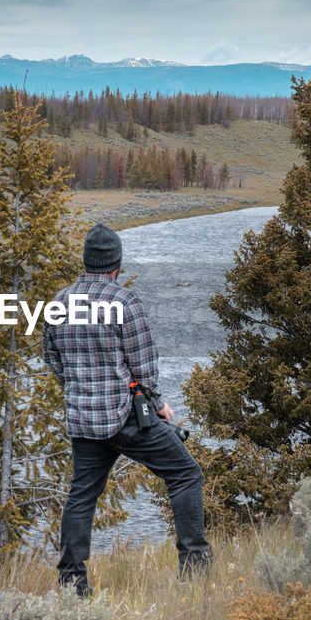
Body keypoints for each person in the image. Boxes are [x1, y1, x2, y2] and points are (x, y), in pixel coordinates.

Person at [42, 222, 211, 597]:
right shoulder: (124, 302)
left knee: (81, 496)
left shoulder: (58, 302)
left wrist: (80, 388)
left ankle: (72, 583)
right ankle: (196, 572)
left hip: (83, 420)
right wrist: (159, 406)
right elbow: (144, 367)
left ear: (85, 261)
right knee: (185, 474)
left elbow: (52, 360)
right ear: (116, 264)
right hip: (125, 417)